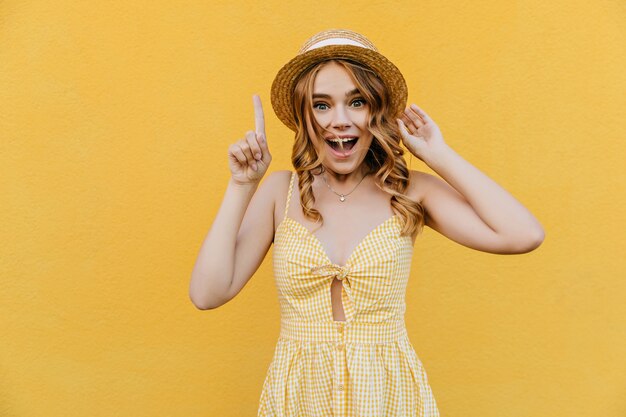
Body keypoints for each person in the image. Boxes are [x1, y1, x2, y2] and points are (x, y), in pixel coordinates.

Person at [189, 29, 544, 417]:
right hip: (300, 400)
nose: (339, 121)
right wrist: (242, 185)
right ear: (303, 116)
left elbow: (523, 234)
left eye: (356, 102)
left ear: (375, 112)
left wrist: (438, 155)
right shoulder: (280, 192)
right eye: (321, 105)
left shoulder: (411, 190)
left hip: (390, 397)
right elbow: (208, 294)